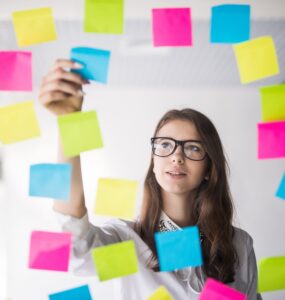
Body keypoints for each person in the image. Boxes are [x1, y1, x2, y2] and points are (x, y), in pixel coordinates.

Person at [39, 59, 262, 300]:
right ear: (154, 162)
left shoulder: (239, 244)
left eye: (193, 148)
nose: (176, 156)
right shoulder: (126, 240)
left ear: (209, 167)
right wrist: (68, 122)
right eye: (165, 145)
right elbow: (75, 247)